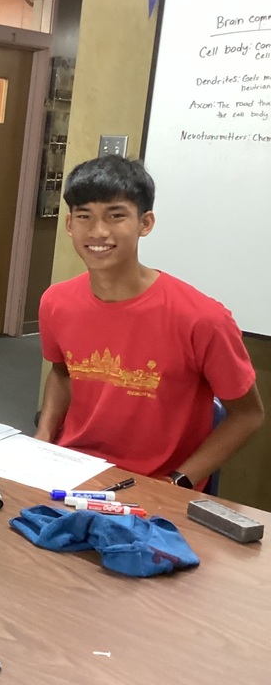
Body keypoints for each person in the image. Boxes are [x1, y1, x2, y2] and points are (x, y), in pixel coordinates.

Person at [35, 155, 263, 488]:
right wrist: (43, 436)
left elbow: (248, 414)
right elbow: (62, 372)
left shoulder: (203, 319)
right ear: (70, 224)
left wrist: (179, 481)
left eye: (116, 216)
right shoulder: (56, 302)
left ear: (146, 223)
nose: (98, 231)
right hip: (71, 470)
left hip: (156, 487)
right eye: (84, 216)